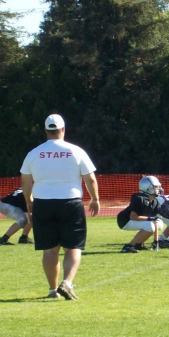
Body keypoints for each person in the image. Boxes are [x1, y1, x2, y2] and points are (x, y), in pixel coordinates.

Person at [20, 113, 100, 300]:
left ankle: (52, 290)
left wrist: (29, 201)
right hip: (70, 202)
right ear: (63, 129)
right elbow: (90, 178)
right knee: (73, 247)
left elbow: (25, 181)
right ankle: (68, 282)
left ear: (46, 130)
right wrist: (95, 198)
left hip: (43, 203)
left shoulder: (34, 153)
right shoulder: (76, 151)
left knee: (49, 249)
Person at [117, 176, 165, 253]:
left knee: (159, 223)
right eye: (156, 187)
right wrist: (150, 219)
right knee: (149, 225)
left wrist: (156, 241)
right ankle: (129, 246)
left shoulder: (155, 202)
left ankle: (138, 245)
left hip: (136, 219)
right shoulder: (138, 198)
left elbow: (155, 221)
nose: (159, 189)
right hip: (125, 220)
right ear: (147, 188)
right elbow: (133, 216)